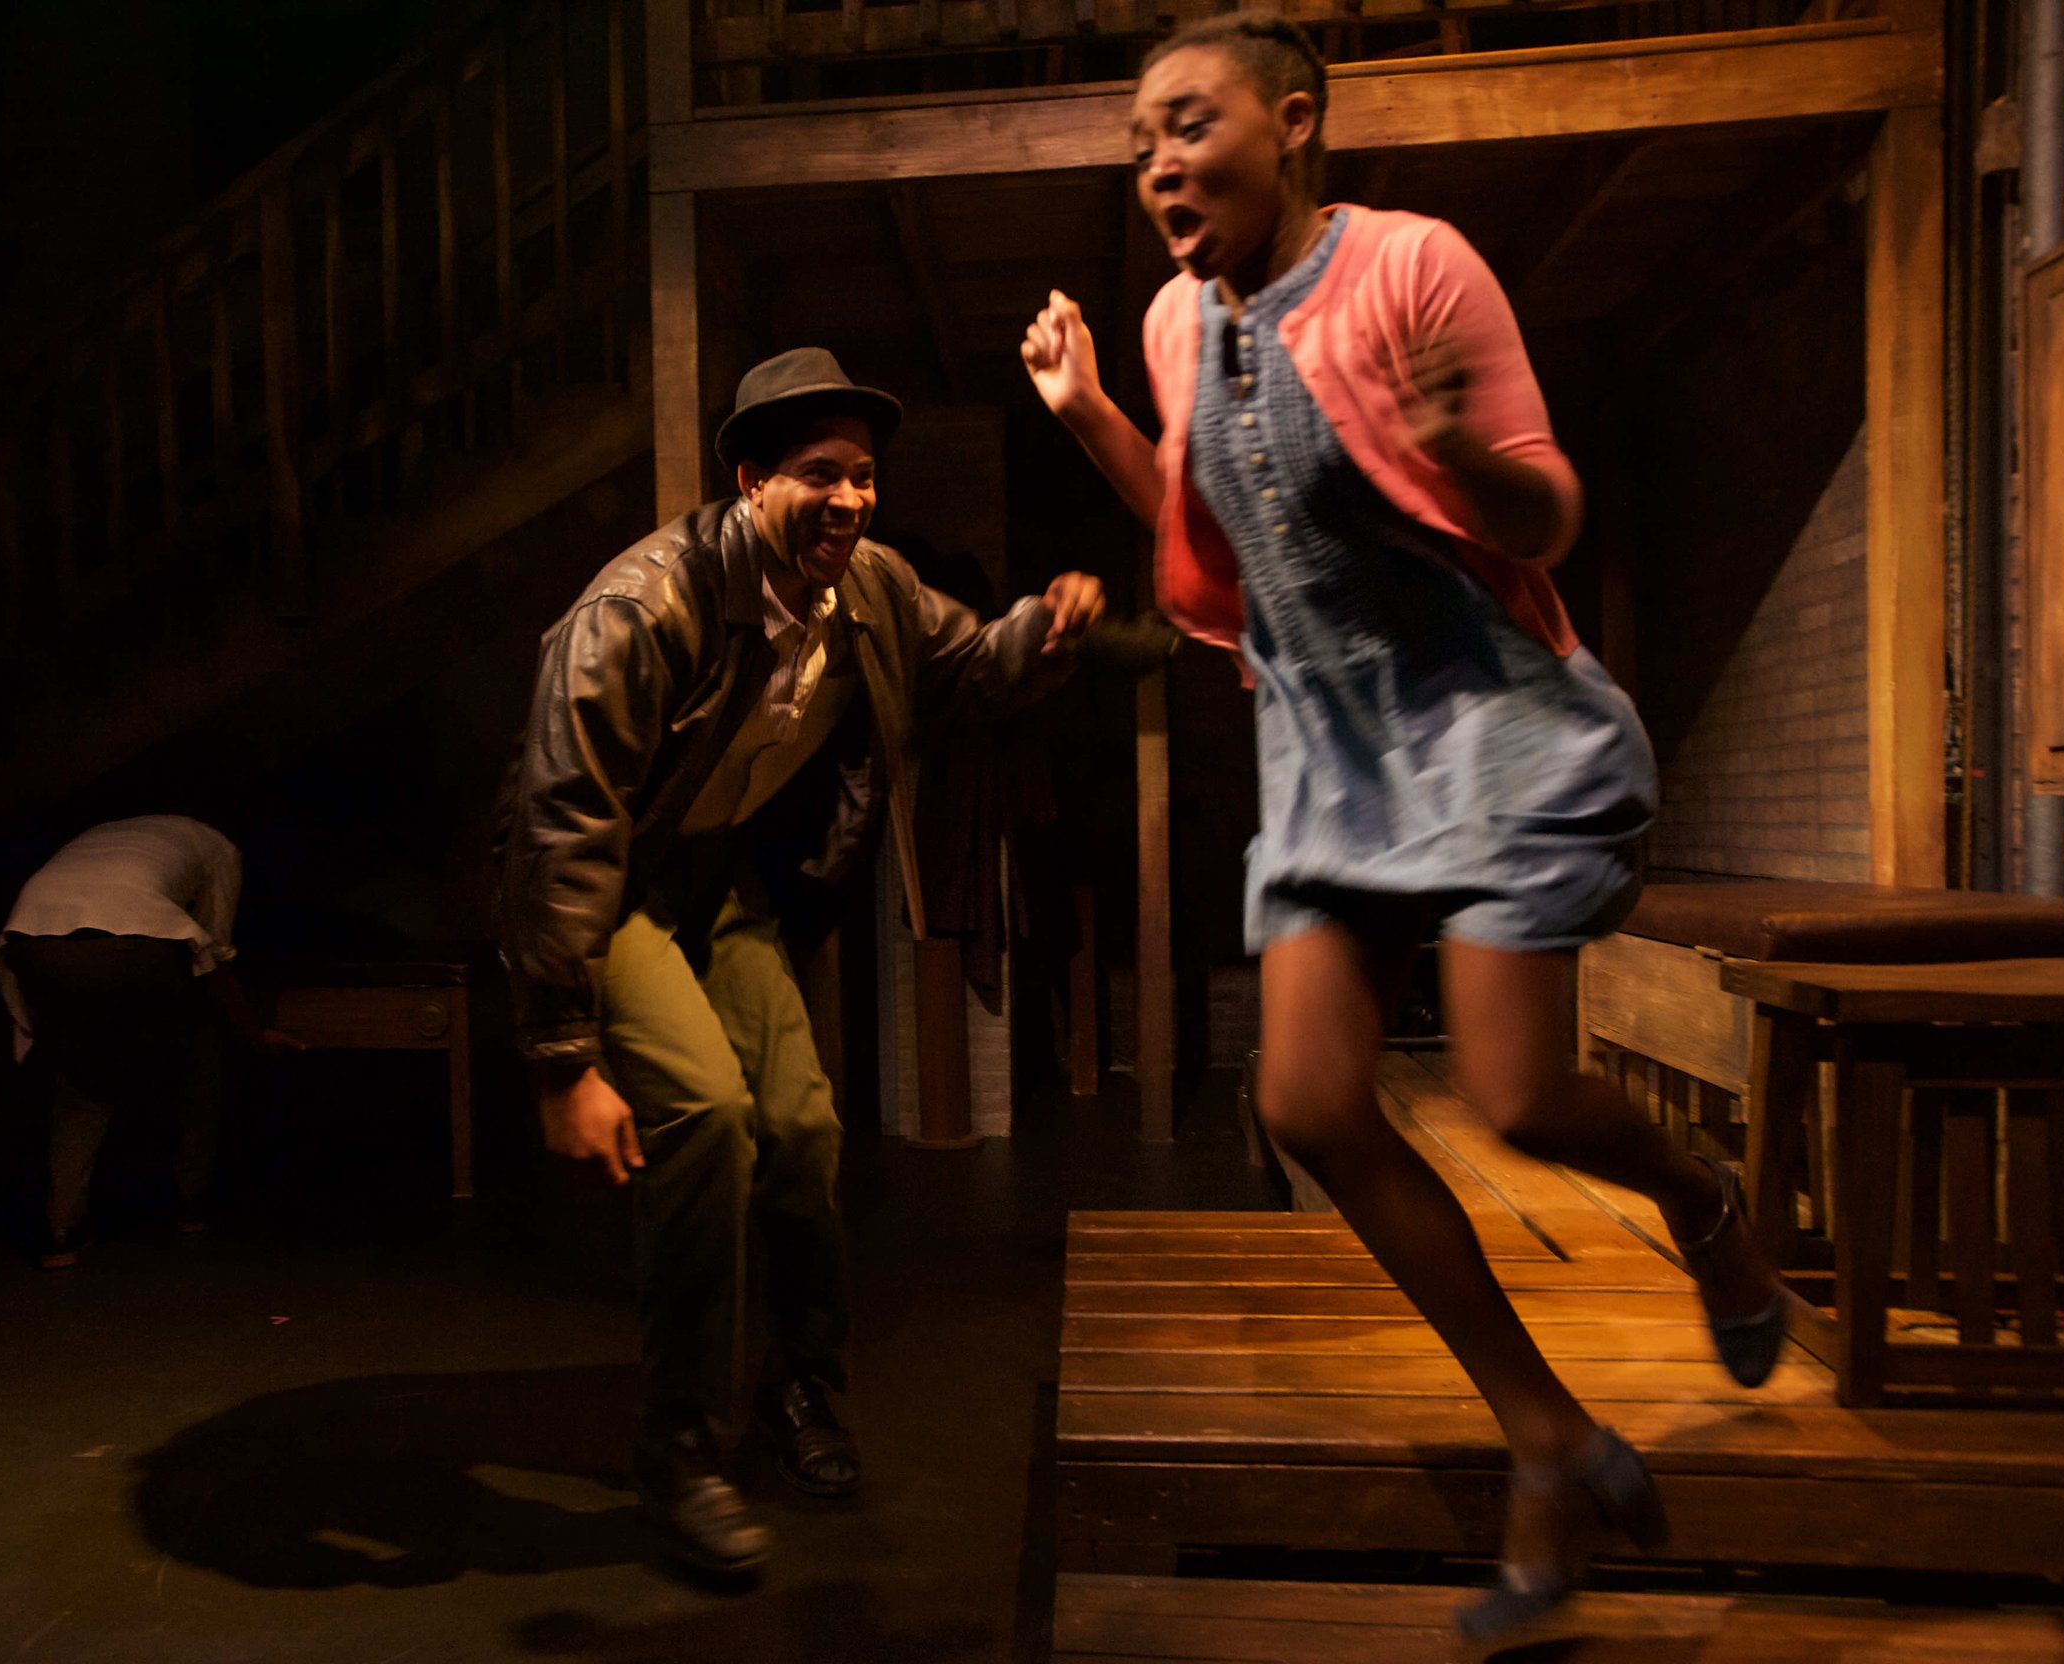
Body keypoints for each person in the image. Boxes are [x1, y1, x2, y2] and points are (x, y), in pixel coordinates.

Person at [1018, 18, 1788, 1636]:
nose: (1159, 157)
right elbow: (1199, 522)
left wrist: (1454, 455)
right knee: (1305, 1096)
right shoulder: (1169, 319)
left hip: (1484, 718)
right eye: (1140, 135)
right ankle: (1549, 1431)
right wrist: (1089, 408)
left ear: (1294, 124)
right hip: (1327, 750)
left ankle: (1704, 1198)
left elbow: (1547, 507)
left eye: (1192, 122)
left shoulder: (1419, 265)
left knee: (1515, 1094)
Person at [498, 347, 1104, 1574]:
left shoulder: (870, 588)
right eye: (817, 475)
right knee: (709, 1119)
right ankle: (676, 1448)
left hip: (720, 882)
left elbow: (967, 663)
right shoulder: (643, 606)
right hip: (612, 887)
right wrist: (563, 1057)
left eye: (864, 477)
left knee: (804, 1125)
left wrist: (1042, 631)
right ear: (747, 480)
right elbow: (562, 826)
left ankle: (798, 1389)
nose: (847, 500)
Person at [0, 815, 290, 1269]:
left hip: (31, 943)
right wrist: (253, 1034)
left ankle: (63, 1230)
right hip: (129, 943)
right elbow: (216, 952)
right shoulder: (218, 848)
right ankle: (190, 1202)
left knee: (84, 1080)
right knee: (197, 1050)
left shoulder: (105, 833)